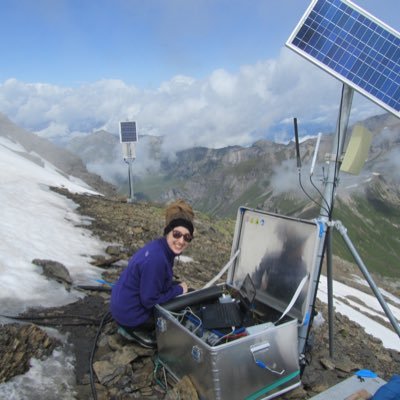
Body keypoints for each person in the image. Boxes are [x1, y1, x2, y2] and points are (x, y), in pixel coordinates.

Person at [110, 199, 194, 347]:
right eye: (177, 234)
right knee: (180, 313)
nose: (181, 241)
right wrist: (179, 289)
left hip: (124, 306)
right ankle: (134, 332)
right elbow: (149, 300)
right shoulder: (157, 259)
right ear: (168, 231)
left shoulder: (159, 248)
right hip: (131, 316)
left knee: (180, 292)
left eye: (187, 237)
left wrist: (176, 289)